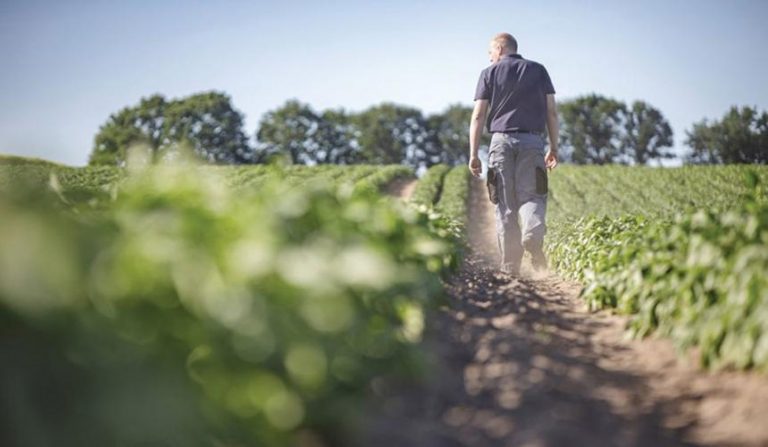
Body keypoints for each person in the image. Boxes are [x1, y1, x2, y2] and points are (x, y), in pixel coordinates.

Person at [467, 32, 559, 276]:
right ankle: (532, 236)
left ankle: (510, 268)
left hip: (500, 143)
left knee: (505, 205)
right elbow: (552, 112)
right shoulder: (539, 70)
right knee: (533, 197)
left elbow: (478, 116)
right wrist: (554, 147)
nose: (489, 59)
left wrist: (474, 153)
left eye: (490, 53)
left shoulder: (489, 74)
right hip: (532, 142)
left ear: (499, 48)